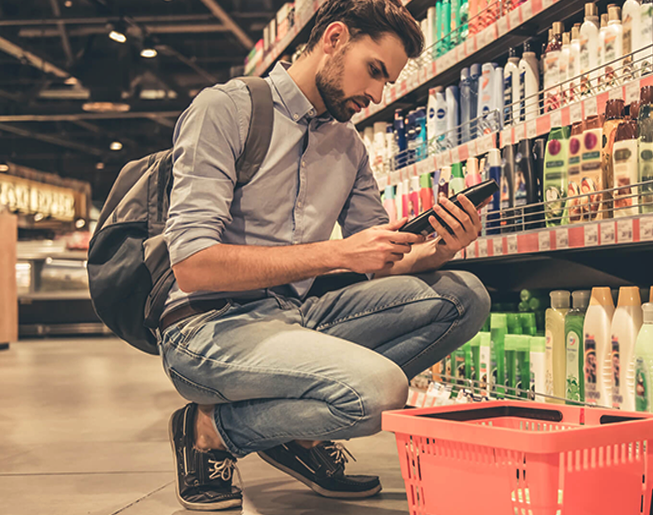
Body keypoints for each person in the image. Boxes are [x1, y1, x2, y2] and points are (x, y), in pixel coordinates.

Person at [161, 0, 490, 510]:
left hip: (292, 317)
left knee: (465, 296)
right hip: (207, 326)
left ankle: (299, 433)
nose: (377, 94)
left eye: (387, 81)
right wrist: (334, 253)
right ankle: (211, 430)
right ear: (334, 38)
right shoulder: (228, 108)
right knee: (378, 391)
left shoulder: (349, 146)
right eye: (374, 71)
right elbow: (192, 265)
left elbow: (377, 258)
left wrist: (436, 249)